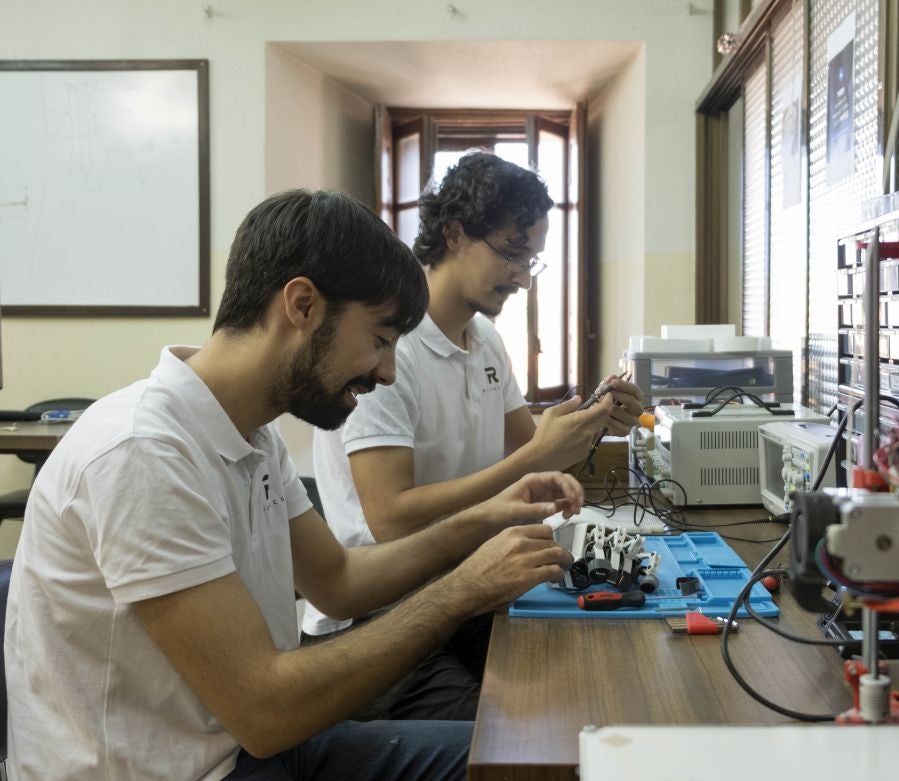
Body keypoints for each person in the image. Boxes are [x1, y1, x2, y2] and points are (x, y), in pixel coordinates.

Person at [4, 189, 579, 781]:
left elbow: (338, 581)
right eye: (380, 339)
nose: (387, 372)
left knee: (542, 760)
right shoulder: (142, 453)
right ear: (302, 305)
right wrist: (463, 588)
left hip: (254, 748)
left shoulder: (250, 432)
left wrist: (485, 518)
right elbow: (266, 710)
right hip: (204, 765)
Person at [303, 153, 643, 666]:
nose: (524, 279)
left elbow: (533, 455)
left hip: (463, 588)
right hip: (379, 612)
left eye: (531, 261)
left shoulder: (484, 339)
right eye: (512, 253)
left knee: (595, 662)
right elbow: (390, 518)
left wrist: (595, 419)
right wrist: (535, 459)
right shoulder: (388, 346)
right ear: (455, 233)